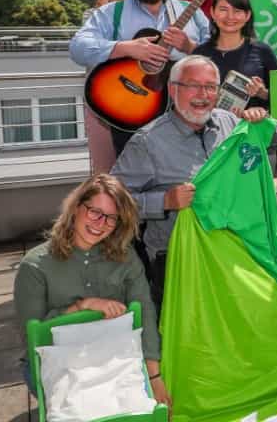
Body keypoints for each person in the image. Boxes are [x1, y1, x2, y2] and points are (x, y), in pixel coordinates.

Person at [111, 55, 277, 308]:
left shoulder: (231, 123)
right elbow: (111, 203)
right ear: (172, 88)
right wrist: (164, 201)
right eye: (193, 85)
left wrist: (264, 121)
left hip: (236, 255)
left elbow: (276, 138)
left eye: (211, 86)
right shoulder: (147, 142)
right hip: (179, 261)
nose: (203, 94)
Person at [13, 174, 170, 406]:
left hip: (112, 359)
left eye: (111, 218)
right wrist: (82, 306)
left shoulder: (127, 258)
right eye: (94, 212)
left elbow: (145, 315)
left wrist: (154, 377)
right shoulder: (35, 265)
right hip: (56, 360)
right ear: (76, 207)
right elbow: (33, 338)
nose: (100, 223)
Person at [70, 0, 210, 153]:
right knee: (133, 184)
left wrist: (189, 46)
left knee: (189, 184)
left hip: (186, 120)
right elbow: (78, 48)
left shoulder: (193, 13)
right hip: (130, 116)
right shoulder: (111, 13)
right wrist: (125, 48)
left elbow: (217, 59)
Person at [192, 0, 277, 110]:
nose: (230, 17)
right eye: (223, 9)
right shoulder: (199, 54)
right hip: (208, 127)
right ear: (212, 12)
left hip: (251, 127)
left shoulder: (262, 52)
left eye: (237, 11)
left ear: (247, 15)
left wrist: (263, 93)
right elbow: (187, 97)